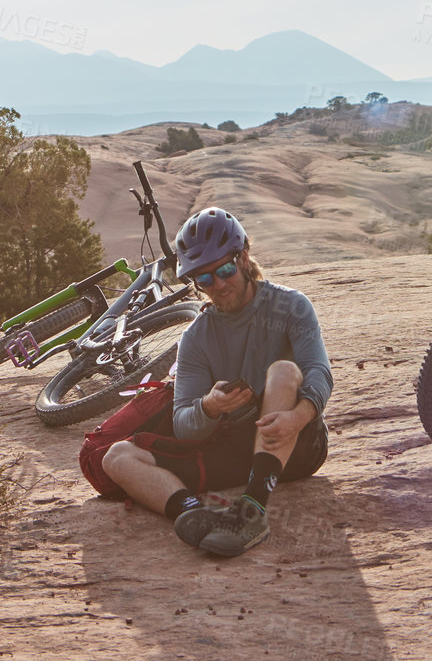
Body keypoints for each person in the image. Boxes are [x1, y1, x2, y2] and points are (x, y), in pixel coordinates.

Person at [100, 206, 333, 558]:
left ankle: (251, 511)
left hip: (295, 443)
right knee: (116, 457)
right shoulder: (196, 338)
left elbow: (318, 370)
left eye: (225, 269)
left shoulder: (291, 305)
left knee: (284, 371)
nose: (219, 285)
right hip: (234, 448)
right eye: (205, 279)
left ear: (244, 257)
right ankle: (194, 514)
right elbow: (184, 426)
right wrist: (209, 408)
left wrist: (296, 418)